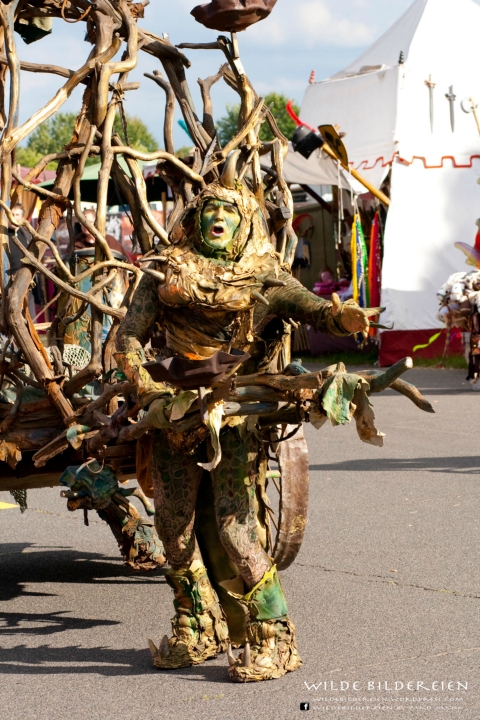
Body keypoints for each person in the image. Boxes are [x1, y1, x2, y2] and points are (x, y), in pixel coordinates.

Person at [115, 155, 380, 682]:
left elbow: (312, 307)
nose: (218, 217)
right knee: (171, 526)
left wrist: (342, 316)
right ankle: (198, 622)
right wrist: (144, 382)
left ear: (245, 225)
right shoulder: (166, 269)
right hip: (170, 413)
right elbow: (126, 337)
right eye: (209, 209)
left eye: (229, 212)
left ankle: (275, 636)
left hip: (231, 417)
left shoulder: (263, 278)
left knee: (237, 526)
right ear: (194, 220)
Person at [7, 203, 36, 319]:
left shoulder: (27, 235)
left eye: (17, 215)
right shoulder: (2, 236)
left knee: (29, 322)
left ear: (22, 217)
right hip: (8, 286)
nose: (14, 217)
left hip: (27, 286)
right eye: (11, 214)